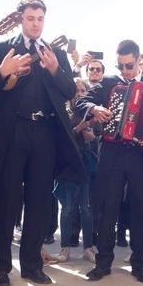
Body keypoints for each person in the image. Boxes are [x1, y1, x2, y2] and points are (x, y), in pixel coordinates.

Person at [0, 0, 85, 286]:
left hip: (45, 133)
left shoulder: (54, 53)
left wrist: (56, 68)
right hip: (13, 131)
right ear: (21, 19)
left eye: (40, 19)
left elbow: (69, 90)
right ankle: (1, 267)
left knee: (40, 201)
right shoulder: (6, 48)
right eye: (30, 18)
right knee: (7, 200)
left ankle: (32, 265)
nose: (35, 24)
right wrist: (5, 70)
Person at [75, 39, 143, 283]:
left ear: (139, 61)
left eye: (129, 66)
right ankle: (103, 263)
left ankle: (140, 263)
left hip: (141, 155)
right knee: (108, 208)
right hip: (112, 151)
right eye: (120, 66)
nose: (124, 71)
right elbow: (80, 102)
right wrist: (95, 108)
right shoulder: (109, 83)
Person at [54, 78, 96, 263]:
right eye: (77, 90)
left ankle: (88, 247)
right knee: (68, 208)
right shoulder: (62, 112)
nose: (79, 93)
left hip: (85, 164)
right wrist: (79, 128)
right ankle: (65, 248)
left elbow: (94, 136)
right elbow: (61, 139)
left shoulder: (91, 112)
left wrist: (89, 132)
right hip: (68, 165)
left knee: (86, 208)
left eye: (82, 90)